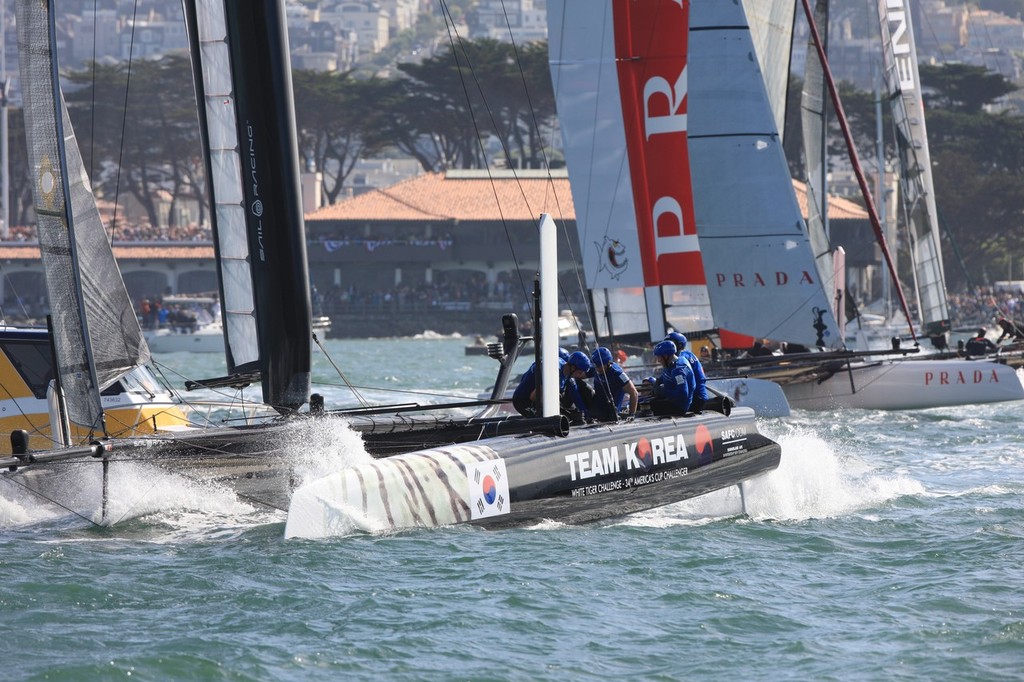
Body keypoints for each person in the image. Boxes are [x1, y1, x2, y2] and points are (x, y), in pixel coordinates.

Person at [512, 351, 591, 420]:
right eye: (580, 372)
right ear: (573, 367)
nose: (580, 376)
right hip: (523, 401)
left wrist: (586, 414)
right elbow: (534, 396)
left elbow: (576, 395)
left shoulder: (568, 375)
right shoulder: (553, 370)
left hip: (539, 400)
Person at [643, 340, 694, 416]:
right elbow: (666, 375)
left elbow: (683, 395)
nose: (658, 360)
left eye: (659, 357)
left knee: (649, 406)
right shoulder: (671, 363)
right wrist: (658, 382)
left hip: (679, 407)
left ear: (666, 356)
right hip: (672, 401)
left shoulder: (678, 371)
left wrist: (663, 392)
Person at [589, 347, 638, 422]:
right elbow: (580, 374)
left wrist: (631, 414)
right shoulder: (596, 368)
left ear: (608, 363)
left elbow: (634, 392)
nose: (597, 368)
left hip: (612, 410)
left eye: (599, 366)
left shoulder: (618, 374)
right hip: (598, 405)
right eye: (595, 366)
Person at [665, 331, 708, 412]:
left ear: (679, 345)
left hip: (695, 398)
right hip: (700, 395)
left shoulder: (680, 359)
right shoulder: (688, 354)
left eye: (671, 343)